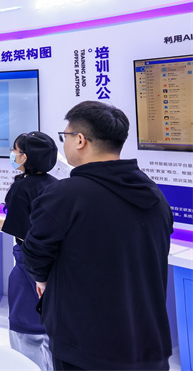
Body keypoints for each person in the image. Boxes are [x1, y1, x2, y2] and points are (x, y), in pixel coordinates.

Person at [22, 101, 173, 371]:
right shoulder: (154, 194)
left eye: (65, 136)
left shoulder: (65, 195)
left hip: (85, 347)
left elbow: (35, 253)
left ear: (80, 140)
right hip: (148, 345)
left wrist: (42, 280)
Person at [0, 132, 57, 371]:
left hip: (29, 264)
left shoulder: (22, 187)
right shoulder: (56, 184)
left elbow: (23, 232)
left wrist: (6, 224)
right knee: (48, 335)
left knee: (26, 333)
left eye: (15, 150)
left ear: (25, 157)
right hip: (54, 266)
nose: (12, 154)